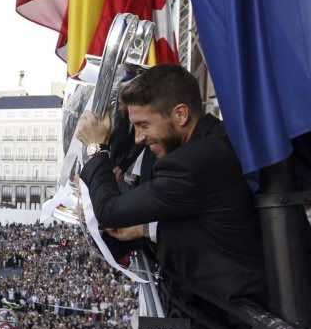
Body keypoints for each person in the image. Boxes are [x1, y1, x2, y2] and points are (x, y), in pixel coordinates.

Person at [77, 63, 268, 309]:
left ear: (180, 114)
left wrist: (96, 148)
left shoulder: (191, 163)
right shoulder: (215, 143)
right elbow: (207, 220)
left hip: (228, 319)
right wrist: (146, 229)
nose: (138, 138)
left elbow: (109, 212)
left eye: (144, 124)